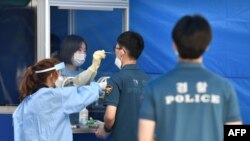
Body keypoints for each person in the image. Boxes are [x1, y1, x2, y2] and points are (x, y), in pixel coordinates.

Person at [138, 14, 242, 141]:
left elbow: (144, 138)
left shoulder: (154, 87)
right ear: (207, 46)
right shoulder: (225, 87)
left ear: (174, 45)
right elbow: (236, 134)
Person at [12, 58, 104, 141]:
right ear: (52, 76)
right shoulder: (54, 96)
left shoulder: (25, 104)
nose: (62, 78)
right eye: (60, 74)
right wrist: (99, 86)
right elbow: (80, 96)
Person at [95, 31, 150, 141]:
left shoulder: (115, 80)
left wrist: (105, 129)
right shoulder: (148, 80)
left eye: (115, 48)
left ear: (122, 52)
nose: (114, 52)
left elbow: (110, 117)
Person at [59, 34, 106, 124]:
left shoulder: (85, 73)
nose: (82, 54)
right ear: (69, 50)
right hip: (60, 123)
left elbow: (95, 95)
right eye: (79, 50)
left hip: (78, 123)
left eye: (84, 51)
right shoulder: (57, 69)